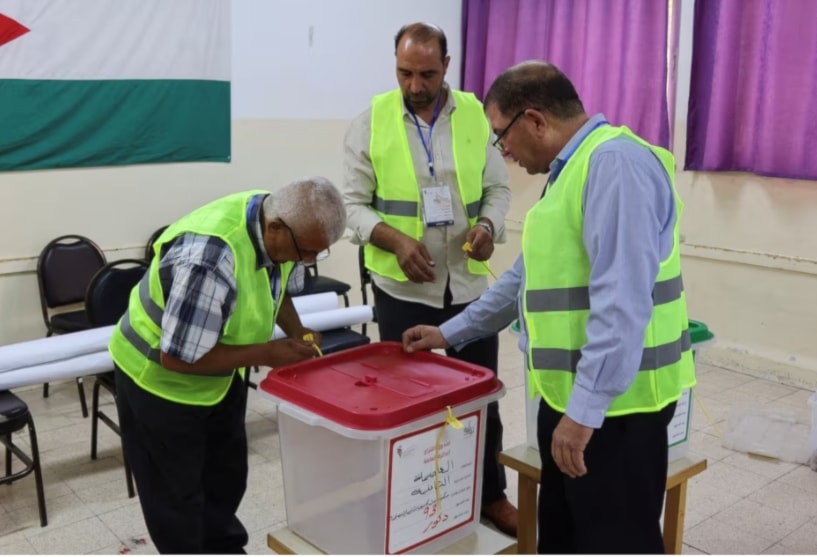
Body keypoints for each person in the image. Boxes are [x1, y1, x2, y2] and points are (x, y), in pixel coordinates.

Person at [402, 61, 696, 554]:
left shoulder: (615, 166)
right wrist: (449, 333)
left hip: (617, 412)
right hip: (569, 400)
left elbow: (620, 304)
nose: (505, 152)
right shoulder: (569, 173)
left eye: (502, 136)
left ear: (535, 120)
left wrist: (584, 414)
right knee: (562, 535)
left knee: (613, 542)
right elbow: (524, 279)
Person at [341, 22, 517, 535]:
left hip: (466, 286)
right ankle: (405, 501)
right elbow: (351, 205)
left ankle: (489, 494)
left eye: (427, 74)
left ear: (447, 65)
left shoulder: (475, 116)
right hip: (401, 288)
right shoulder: (369, 122)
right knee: (404, 401)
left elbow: (498, 191)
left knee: (480, 394)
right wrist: (393, 240)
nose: (415, 85)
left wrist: (488, 225)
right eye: (404, 72)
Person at [108, 177, 347, 554]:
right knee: (177, 497)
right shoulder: (211, 256)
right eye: (307, 252)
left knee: (226, 476)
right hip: (158, 380)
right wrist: (268, 353)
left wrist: (298, 331)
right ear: (276, 228)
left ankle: (225, 547)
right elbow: (177, 357)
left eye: (319, 254)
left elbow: (277, 286)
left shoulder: (280, 228)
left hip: (220, 372)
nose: (309, 262)